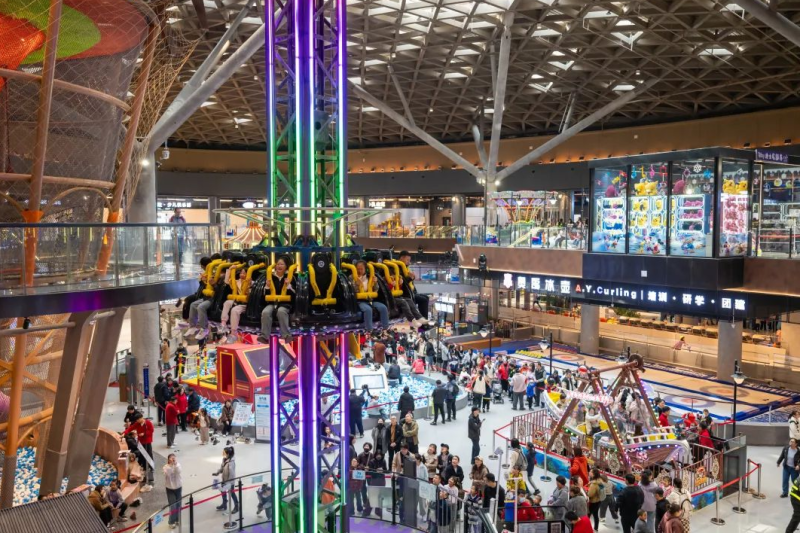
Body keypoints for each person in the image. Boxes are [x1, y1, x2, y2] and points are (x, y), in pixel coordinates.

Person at [258, 255, 295, 343]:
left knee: (281, 311)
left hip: (284, 303)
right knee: (265, 312)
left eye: (282, 264)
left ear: (286, 267)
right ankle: (264, 336)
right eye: (278, 264)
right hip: (272, 302)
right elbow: (264, 296)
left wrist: (288, 286)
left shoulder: (291, 277)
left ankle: (286, 335)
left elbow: (294, 295)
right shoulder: (270, 277)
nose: (279, 266)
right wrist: (267, 286)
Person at [122, 414, 154, 491]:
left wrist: (144, 434)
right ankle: (144, 467)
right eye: (137, 420)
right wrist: (124, 433)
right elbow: (131, 428)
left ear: (141, 418)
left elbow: (151, 430)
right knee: (142, 455)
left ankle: (150, 467)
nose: (138, 421)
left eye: (138, 420)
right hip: (141, 442)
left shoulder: (148, 423)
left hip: (147, 441)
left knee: (148, 455)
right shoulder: (137, 424)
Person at [355, 260, 390, 331]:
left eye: (361, 269)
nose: (359, 271)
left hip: (370, 299)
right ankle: (369, 330)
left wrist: (375, 283)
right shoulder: (352, 277)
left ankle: (385, 329)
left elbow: (376, 289)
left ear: (365, 269)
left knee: (383, 307)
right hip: (360, 301)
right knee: (368, 309)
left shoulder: (370, 277)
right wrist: (356, 285)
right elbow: (352, 291)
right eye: (358, 269)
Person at [220, 267, 251, 342]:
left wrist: (249, 285)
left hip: (245, 304)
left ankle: (233, 332)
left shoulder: (251, 283)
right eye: (241, 273)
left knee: (234, 310)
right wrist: (230, 269)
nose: (242, 274)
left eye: (244, 273)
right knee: (227, 302)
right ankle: (223, 323)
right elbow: (226, 281)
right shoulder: (237, 282)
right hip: (236, 300)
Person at [214, 446, 239, 514]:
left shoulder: (231, 463)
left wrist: (228, 483)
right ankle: (224, 504)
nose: (223, 454)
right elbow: (222, 468)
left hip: (230, 481)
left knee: (232, 493)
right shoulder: (224, 459)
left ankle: (237, 506)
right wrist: (218, 472)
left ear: (228, 454)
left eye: (224, 453)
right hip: (224, 479)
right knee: (223, 491)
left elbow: (232, 474)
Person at [164, 454, 182, 529]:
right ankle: (171, 521)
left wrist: (175, 464)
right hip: (170, 489)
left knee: (178, 505)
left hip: (178, 488)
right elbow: (168, 473)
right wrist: (171, 465)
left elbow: (178, 471)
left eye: (174, 458)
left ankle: (177, 519)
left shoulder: (178, 465)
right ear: (168, 459)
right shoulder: (165, 467)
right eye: (171, 458)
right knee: (173, 506)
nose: (173, 459)